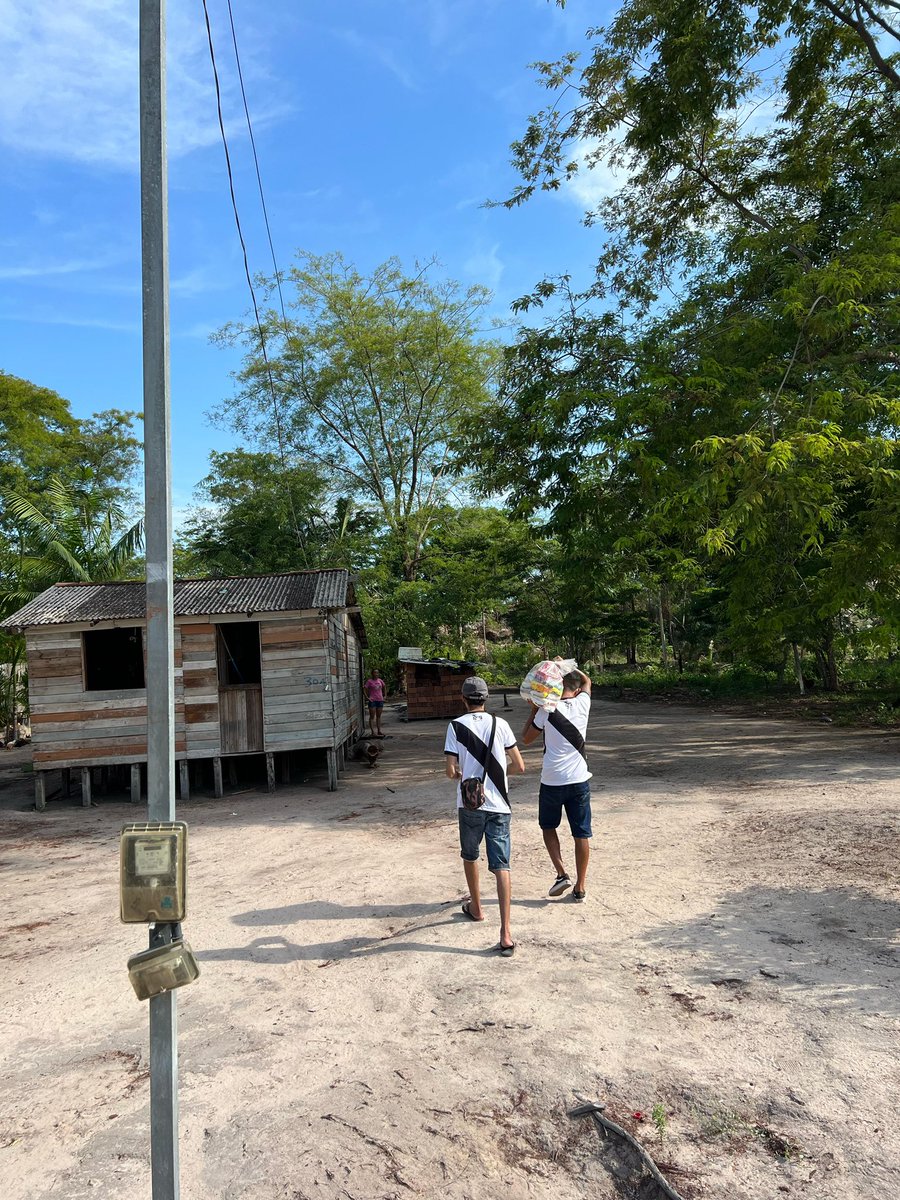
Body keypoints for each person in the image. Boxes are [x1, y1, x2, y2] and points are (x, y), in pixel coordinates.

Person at [444, 676, 525, 956]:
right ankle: (506, 933)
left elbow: (450, 771)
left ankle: (476, 908)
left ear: (463, 699)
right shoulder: (501, 724)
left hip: (470, 804)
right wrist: (499, 778)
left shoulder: (455, 726)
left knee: (470, 855)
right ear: (486, 698)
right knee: (502, 865)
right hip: (499, 805)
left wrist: (464, 777)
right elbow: (519, 766)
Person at [522, 665, 592, 901]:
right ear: (576, 689)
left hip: (552, 781)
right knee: (581, 833)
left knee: (548, 826)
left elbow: (526, 738)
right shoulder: (583, 704)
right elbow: (588, 681)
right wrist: (570, 667)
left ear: (556, 687)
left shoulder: (546, 710)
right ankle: (580, 886)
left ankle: (562, 873)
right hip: (579, 780)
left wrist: (534, 709)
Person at [363, 668, 386, 737]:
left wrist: (385, 696)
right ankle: (373, 732)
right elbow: (364, 689)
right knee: (372, 716)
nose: (376, 674)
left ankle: (379, 731)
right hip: (372, 701)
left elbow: (384, 687)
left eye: (377, 673)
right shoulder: (369, 681)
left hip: (380, 700)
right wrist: (367, 697)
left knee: (379, 716)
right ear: (372, 673)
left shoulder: (380, 680)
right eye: (375, 673)